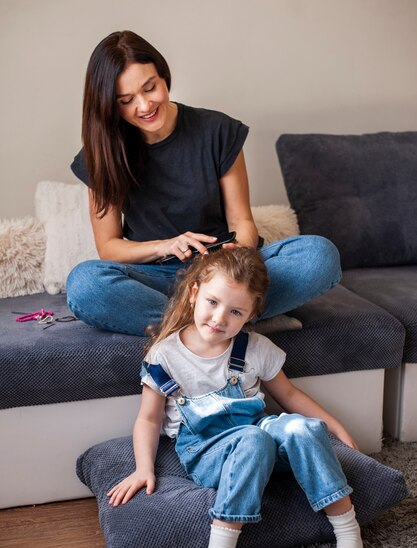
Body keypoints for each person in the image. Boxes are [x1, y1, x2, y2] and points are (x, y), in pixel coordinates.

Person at [107, 247, 364, 548]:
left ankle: (349, 534)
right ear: (194, 292)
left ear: (251, 314)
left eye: (235, 311)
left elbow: (290, 396)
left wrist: (334, 428)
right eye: (212, 302)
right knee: (253, 438)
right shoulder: (165, 356)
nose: (219, 318)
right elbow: (148, 418)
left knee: (299, 428)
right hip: (208, 454)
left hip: (261, 442)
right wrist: (143, 469)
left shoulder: (256, 348)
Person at [67, 30, 341, 336]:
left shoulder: (218, 130)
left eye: (150, 88)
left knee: (319, 255)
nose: (144, 106)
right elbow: (109, 247)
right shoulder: (100, 155)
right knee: (85, 284)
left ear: (164, 75)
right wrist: (165, 246)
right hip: (156, 276)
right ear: (109, 105)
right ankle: (236, 320)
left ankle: (202, 322)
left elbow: (242, 221)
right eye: (127, 100)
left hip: (224, 270)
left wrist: (234, 261)